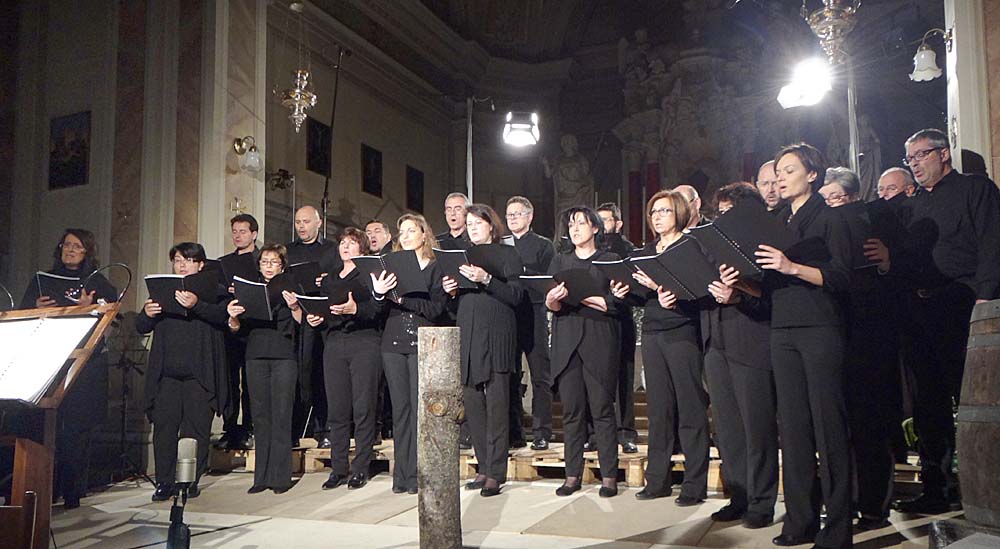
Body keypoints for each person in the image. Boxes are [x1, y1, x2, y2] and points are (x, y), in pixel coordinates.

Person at [885, 129, 1000, 513]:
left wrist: (985, 299)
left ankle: (985, 486)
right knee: (928, 403)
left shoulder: (975, 189)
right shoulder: (912, 205)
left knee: (974, 398)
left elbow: (993, 242)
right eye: (910, 158)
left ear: (943, 153)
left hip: (963, 304)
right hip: (920, 312)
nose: (915, 163)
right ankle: (936, 488)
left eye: (921, 155)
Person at [752, 143, 853, 549]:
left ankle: (839, 527)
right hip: (782, 329)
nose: (780, 178)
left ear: (812, 175)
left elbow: (842, 277)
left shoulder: (830, 217)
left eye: (789, 170)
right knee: (792, 429)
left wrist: (792, 266)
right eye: (777, 171)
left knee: (828, 426)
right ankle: (800, 520)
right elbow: (767, 283)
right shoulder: (775, 221)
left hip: (819, 328)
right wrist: (738, 284)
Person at [822, 167, 901, 530]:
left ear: (854, 197)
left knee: (870, 422)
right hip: (835, 332)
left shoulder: (871, 222)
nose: (831, 205)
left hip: (868, 334)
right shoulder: (825, 226)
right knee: (841, 424)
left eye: (836, 198)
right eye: (826, 199)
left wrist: (887, 263)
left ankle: (873, 505)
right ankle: (846, 501)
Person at [19, 228, 118, 509]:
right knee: (42, 427)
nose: (70, 250)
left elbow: (110, 317)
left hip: (83, 365)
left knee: (76, 430)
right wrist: (35, 306)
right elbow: (23, 314)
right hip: (48, 362)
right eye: (66, 245)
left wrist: (90, 307)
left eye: (77, 246)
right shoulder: (42, 280)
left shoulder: (97, 282)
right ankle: (41, 490)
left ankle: (73, 492)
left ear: (87, 251)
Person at [701, 183, 779, 528]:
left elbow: (772, 299)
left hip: (751, 341)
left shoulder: (764, 246)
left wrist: (738, 296)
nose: (723, 218)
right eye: (720, 212)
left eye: (730, 211)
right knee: (728, 428)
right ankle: (739, 495)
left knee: (757, 428)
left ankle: (762, 502)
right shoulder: (712, 248)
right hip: (716, 343)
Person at [627, 191, 710, 506]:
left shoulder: (690, 247)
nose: (657, 217)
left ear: (679, 213)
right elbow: (641, 294)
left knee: (690, 407)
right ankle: (657, 480)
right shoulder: (647, 251)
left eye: (664, 211)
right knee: (658, 409)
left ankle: (694, 485)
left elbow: (699, 291)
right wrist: (625, 290)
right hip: (653, 332)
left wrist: (662, 287)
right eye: (653, 212)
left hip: (682, 330)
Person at [137, 242, 230, 502]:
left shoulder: (214, 291)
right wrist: (147, 313)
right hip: (167, 373)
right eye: (178, 260)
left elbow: (223, 317)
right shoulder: (162, 292)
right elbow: (141, 326)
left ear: (200, 265)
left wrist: (197, 304)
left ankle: (189, 481)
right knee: (165, 429)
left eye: (188, 260)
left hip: (199, 374)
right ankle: (164, 482)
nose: (182, 265)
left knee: (196, 430)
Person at [443, 204, 524, 497]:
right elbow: (453, 307)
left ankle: (496, 472)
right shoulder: (462, 256)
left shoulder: (508, 254)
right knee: (473, 405)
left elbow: (516, 295)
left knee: (497, 405)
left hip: (497, 334)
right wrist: (451, 291)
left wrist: (487, 279)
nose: (473, 227)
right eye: (469, 223)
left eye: (478, 222)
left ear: (491, 225)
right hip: (469, 333)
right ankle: (483, 466)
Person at [545, 206, 621, 498]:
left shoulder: (609, 260)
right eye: (571, 225)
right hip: (567, 341)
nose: (574, 229)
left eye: (581, 223)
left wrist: (585, 297)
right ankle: (572, 474)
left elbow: (617, 303)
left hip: (599, 339)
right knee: (572, 411)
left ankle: (609, 476)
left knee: (602, 409)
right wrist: (552, 300)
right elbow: (552, 305)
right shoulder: (559, 260)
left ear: (596, 228)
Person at [374, 213, 448, 494]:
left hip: (421, 342)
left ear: (424, 234)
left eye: (410, 231)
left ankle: (417, 473)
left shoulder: (435, 267)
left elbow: (436, 309)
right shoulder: (390, 267)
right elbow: (378, 310)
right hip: (392, 344)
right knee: (400, 411)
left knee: (419, 412)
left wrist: (404, 299)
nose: (404, 236)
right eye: (401, 232)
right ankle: (401, 475)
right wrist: (379, 292)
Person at [305, 228, 384, 491]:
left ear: (362, 247)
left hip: (364, 342)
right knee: (337, 410)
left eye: (351, 243)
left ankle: (360, 468)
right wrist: (316, 318)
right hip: (335, 343)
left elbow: (377, 310)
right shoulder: (330, 278)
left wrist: (355, 309)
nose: (345, 247)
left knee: (363, 408)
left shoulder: (369, 275)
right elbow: (324, 308)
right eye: (342, 243)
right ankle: (338, 468)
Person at [227, 244, 303, 494]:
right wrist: (233, 317)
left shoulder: (291, 285)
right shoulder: (250, 289)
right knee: (259, 416)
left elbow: (302, 323)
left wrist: (295, 307)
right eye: (264, 262)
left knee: (281, 414)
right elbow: (237, 328)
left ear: (282, 265)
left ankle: (280, 478)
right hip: (255, 354)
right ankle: (261, 477)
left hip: (283, 355)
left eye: (274, 262)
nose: (269, 266)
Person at [285, 205, 341, 447]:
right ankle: (294, 431)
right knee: (295, 376)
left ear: (319, 223)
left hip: (322, 319)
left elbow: (339, 279)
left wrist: (326, 281)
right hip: (294, 318)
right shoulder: (288, 251)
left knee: (320, 375)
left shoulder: (331, 250)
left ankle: (324, 429)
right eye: (298, 222)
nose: (301, 226)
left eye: (306, 221)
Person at [505, 196, 555, 451]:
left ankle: (542, 431)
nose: (512, 218)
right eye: (509, 215)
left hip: (534, 312)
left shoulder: (543, 245)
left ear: (530, 216)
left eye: (517, 214)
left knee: (540, 376)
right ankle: (515, 431)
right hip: (508, 314)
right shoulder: (502, 245)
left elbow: (550, 279)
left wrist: (523, 272)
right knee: (511, 375)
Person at [596, 202, 639, 454]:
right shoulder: (591, 249)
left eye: (607, 220)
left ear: (618, 224)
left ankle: (626, 432)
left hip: (621, 319)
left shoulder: (628, 250)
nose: (602, 226)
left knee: (624, 377)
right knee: (597, 379)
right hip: (596, 321)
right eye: (598, 220)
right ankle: (597, 433)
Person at [217, 214, 260, 451]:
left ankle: (250, 428)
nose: (237, 236)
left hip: (254, 328)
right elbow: (216, 294)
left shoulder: (262, 261)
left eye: (243, 231)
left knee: (251, 382)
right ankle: (230, 428)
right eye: (234, 231)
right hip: (231, 328)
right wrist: (228, 291)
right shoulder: (224, 263)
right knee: (231, 381)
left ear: (254, 234)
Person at [365, 218, 394, 441]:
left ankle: (388, 425)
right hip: (371, 329)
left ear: (388, 236)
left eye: (376, 231)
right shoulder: (364, 262)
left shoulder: (392, 259)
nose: (371, 236)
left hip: (391, 323)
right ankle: (375, 427)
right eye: (367, 232)